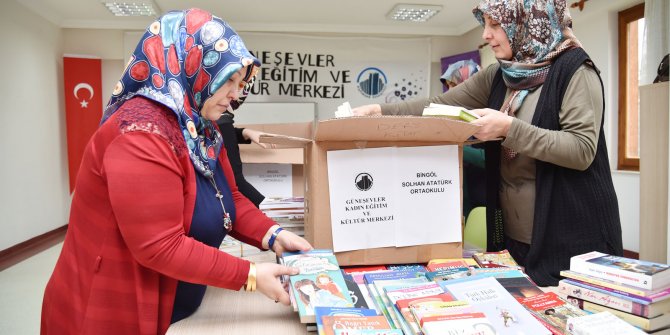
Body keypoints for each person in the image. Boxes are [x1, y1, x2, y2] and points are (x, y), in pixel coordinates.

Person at [41, 8, 312, 334]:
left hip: (176, 297)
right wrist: (251, 276)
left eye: (241, 84)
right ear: (194, 64)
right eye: (229, 81)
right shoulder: (142, 131)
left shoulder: (201, 128)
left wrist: (275, 235)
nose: (236, 95)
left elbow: (230, 198)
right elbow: (160, 245)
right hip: (111, 305)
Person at [351, 0, 623, 286]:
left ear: (527, 23)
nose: (485, 35)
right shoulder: (501, 75)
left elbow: (581, 150)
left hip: (573, 237)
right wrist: (378, 111)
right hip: (514, 238)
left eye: (496, 25)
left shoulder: (575, 71)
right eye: (486, 25)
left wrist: (509, 128)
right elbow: (438, 105)